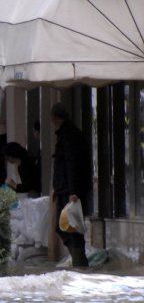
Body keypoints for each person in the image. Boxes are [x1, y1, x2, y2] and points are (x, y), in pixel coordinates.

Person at [50, 102, 92, 269]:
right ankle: (78, 262)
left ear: (54, 118)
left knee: (69, 229)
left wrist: (73, 191)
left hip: (69, 190)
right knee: (64, 228)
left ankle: (79, 264)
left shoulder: (68, 135)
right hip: (65, 189)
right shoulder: (68, 133)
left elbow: (71, 164)